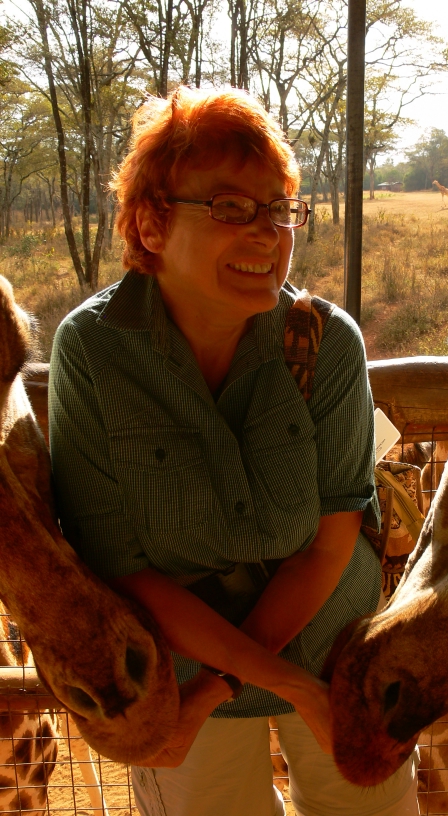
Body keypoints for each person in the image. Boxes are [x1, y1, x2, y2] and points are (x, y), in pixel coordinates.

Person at [48, 86, 419, 816]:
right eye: (229, 208)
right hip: (178, 663)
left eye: (279, 209)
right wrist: (246, 689)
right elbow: (122, 566)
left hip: (331, 643)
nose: (267, 234)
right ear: (151, 224)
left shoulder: (325, 341)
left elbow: (329, 544)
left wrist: (246, 685)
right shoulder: (94, 352)